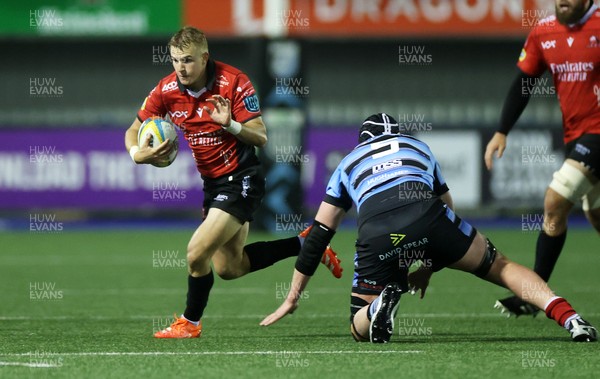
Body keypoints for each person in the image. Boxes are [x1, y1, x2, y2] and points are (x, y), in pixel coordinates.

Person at [260, 113, 597, 343]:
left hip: (377, 231)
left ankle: (376, 307)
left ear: (362, 139)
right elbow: (447, 209)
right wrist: (430, 265)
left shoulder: (349, 162)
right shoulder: (417, 146)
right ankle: (570, 318)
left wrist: (292, 297)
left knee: (357, 325)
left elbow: (319, 234)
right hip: (429, 215)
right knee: (503, 266)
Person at [124, 26, 342, 339]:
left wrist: (231, 124)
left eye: (187, 60)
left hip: (242, 179)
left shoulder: (233, 82)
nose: (180, 68)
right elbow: (134, 129)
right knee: (230, 268)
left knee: (195, 253)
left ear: (204, 57)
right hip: (212, 185)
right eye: (174, 60)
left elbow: (262, 136)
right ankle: (307, 243)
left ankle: (190, 323)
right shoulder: (167, 89)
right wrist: (137, 154)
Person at [484, 0, 600, 316]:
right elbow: (525, 82)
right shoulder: (543, 32)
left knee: (554, 202)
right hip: (575, 138)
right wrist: (502, 130)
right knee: (596, 217)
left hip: (598, 135)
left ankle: (534, 293)